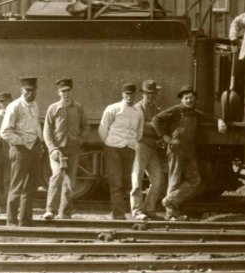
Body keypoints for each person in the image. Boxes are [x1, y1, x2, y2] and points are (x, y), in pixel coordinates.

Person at [151, 86, 228, 221]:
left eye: (191, 98)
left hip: (189, 150)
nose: (189, 100)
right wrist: (165, 137)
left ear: (195, 100)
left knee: (194, 180)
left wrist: (220, 121)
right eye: (186, 98)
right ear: (182, 99)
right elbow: (156, 119)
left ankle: (170, 200)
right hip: (176, 149)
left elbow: (209, 117)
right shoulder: (175, 110)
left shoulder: (194, 113)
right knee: (174, 179)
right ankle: (171, 214)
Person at [0, 76, 44, 226]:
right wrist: (23, 142)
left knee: (31, 186)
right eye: (28, 90)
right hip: (20, 151)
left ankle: (25, 222)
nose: (31, 93)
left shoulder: (35, 105)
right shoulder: (15, 106)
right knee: (17, 187)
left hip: (34, 149)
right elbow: (5, 132)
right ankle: (11, 223)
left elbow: (36, 125)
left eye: (33, 90)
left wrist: (40, 141)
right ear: (21, 90)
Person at [42, 78, 86, 221]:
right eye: (63, 91)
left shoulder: (78, 108)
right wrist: (52, 149)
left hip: (73, 149)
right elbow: (47, 131)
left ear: (71, 92)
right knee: (56, 176)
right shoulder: (53, 108)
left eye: (68, 91)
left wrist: (80, 140)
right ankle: (50, 210)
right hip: (57, 149)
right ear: (58, 92)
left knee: (70, 181)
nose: (65, 94)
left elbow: (85, 126)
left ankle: (65, 213)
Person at [98, 83, 144, 220]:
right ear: (122, 94)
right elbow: (102, 129)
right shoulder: (112, 109)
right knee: (116, 183)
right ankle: (118, 215)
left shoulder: (138, 112)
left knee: (126, 182)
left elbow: (139, 132)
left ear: (135, 95)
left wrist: (132, 144)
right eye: (127, 94)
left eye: (132, 94)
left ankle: (122, 212)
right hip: (114, 149)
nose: (129, 97)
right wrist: (109, 143)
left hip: (129, 149)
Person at [130, 79, 167, 221]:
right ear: (143, 94)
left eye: (153, 93)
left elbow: (160, 126)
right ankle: (137, 211)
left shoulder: (157, 110)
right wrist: (155, 126)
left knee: (158, 179)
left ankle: (150, 209)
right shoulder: (136, 108)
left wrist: (153, 128)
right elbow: (137, 127)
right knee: (136, 178)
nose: (150, 96)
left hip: (152, 147)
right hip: (140, 146)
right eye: (148, 93)